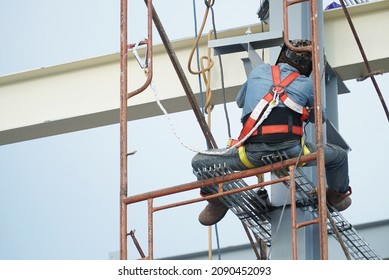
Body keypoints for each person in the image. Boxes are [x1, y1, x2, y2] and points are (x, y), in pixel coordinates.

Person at [191, 39, 352, 226]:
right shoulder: (306, 84)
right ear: (308, 67)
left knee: (199, 162)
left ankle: (217, 200)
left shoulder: (258, 73)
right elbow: (320, 118)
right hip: (295, 154)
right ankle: (336, 196)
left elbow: (240, 101)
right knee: (339, 156)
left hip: (251, 155)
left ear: (282, 54)